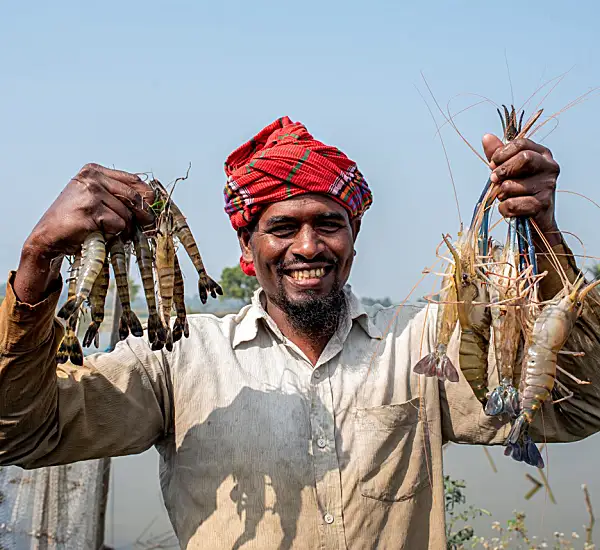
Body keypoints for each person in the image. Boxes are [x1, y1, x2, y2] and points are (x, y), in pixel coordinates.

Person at [1, 116, 600, 550]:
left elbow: (579, 410)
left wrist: (542, 231)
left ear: (354, 236)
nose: (308, 247)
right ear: (246, 245)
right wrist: (37, 261)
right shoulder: (178, 358)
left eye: (329, 225)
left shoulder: (422, 348)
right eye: (282, 226)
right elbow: (21, 434)